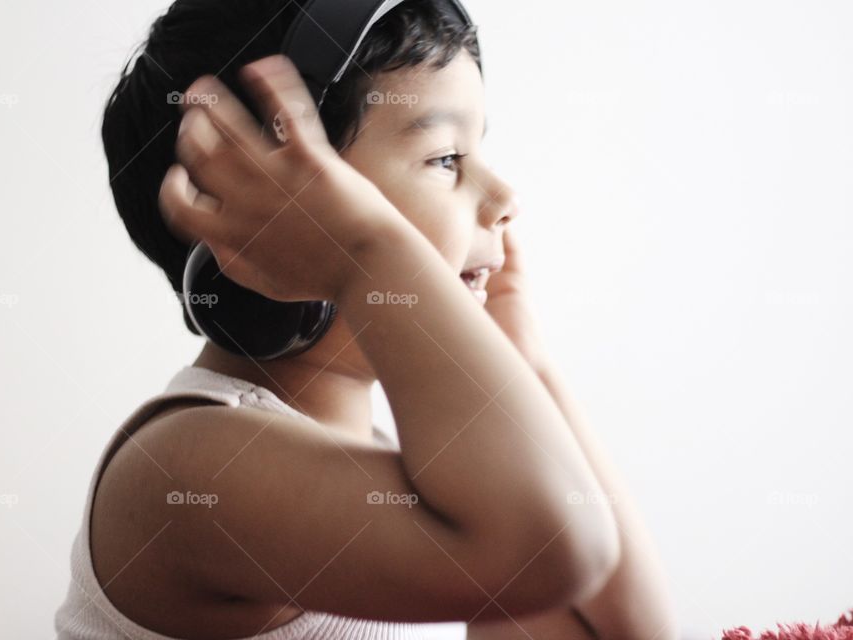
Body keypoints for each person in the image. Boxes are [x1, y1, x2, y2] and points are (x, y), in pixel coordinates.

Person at [55, 1, 679, 638]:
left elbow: (629, 628)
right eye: (445, 159)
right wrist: (365, 255)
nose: (506, 197)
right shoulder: (185, 471)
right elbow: (559, 549)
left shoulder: (442, 490)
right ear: (267, 217)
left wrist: (528, 366)